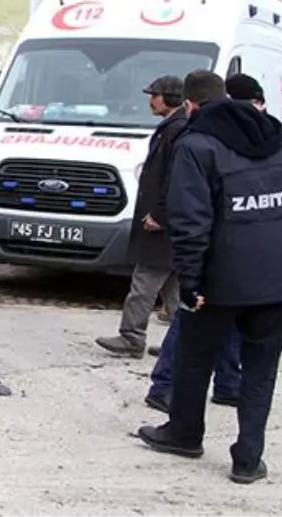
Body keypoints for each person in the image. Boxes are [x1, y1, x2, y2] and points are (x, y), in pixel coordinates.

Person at [136, 71, 282, 485]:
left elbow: (190, 220)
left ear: (193, 105)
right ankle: (248, 458)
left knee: (195, 360)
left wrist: (192, 282)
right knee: (261, 371)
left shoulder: (196, 145)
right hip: (278, 278)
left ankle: (184, 433)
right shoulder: (281, 137)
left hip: (221, 279)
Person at [97, 76, 187, 359]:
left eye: (155, 95)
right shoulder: (176, 126)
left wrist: (159, 214)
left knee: (145, 283)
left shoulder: (177, 128)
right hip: (173, 224)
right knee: (176, 288)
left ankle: (132, 336)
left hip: (163, 224)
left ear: (169, 98)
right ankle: (183, 342)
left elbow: (175, 178)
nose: (150, 100)